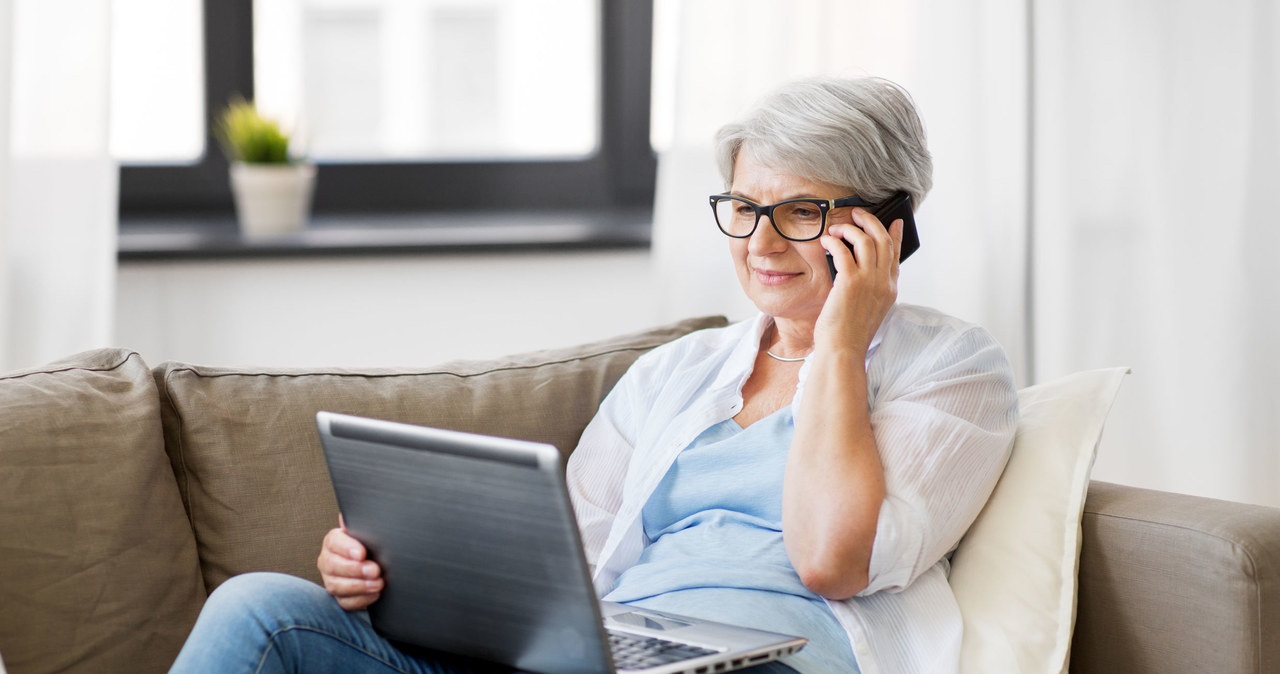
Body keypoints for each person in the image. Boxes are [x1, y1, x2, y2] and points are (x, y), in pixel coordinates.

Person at [169, 76, 1019, 674]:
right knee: (261, 610)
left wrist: (838, 343)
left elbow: (835, 560)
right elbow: (562, 571)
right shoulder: (674, 374)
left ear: (887, 227)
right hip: (606, 653)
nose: (760, 244)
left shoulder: (951, 369)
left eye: (801, 213)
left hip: (779, 663)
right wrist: (393, 575)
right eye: (746, 209)